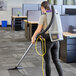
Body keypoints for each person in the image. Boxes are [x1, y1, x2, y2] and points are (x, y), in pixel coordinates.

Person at [31, 1, 63, 76]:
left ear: (43, 8)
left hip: (47, 41)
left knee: (47, 61)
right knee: (56, 60)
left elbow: (39, 29)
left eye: (41, 8)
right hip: (56, 39)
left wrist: (33, 37)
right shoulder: (55, 14)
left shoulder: (43, 16)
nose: (41, 10)